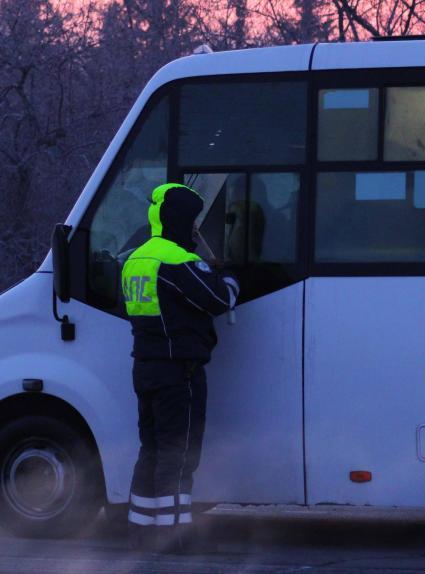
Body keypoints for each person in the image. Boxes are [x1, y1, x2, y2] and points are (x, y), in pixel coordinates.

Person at [120, 182, 238, 553]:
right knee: (179, 454)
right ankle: (172, 536)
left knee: (151, 451)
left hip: (145, 369)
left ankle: (140, 530)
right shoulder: (175, 261)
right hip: (178, 374)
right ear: (181, 220)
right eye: (193, 221)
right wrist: (231, 276)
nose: (195, 230)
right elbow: (220, 298)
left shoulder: (135, 260)